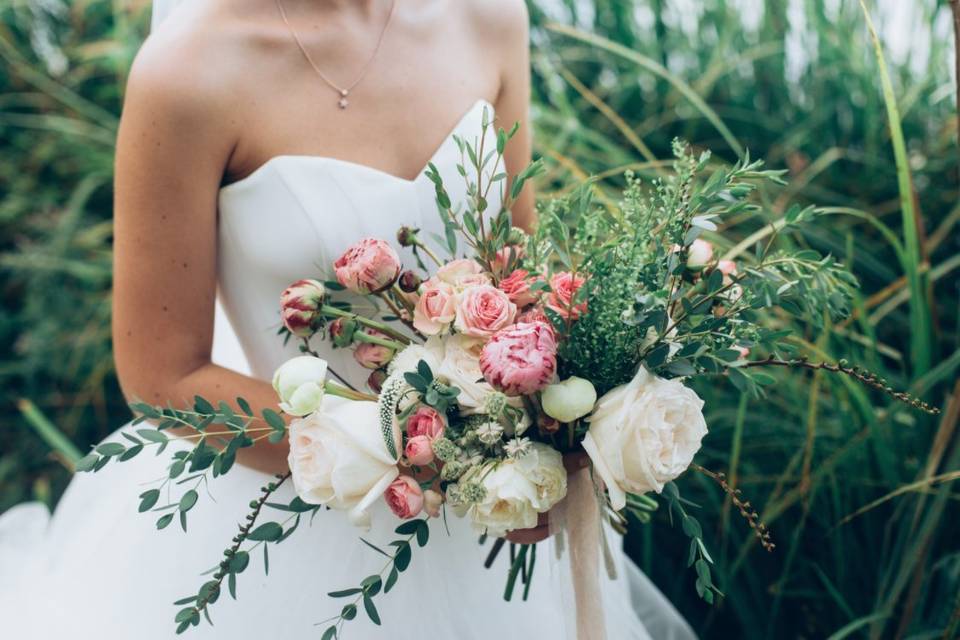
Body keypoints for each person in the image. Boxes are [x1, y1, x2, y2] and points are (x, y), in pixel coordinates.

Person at [0, 1, 696, 637]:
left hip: (494, 524)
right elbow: (161, 374)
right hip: (297, 517)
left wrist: (553, 425)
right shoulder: (187, 72)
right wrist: (420, 456)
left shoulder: (488, 15)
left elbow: (521, 269)